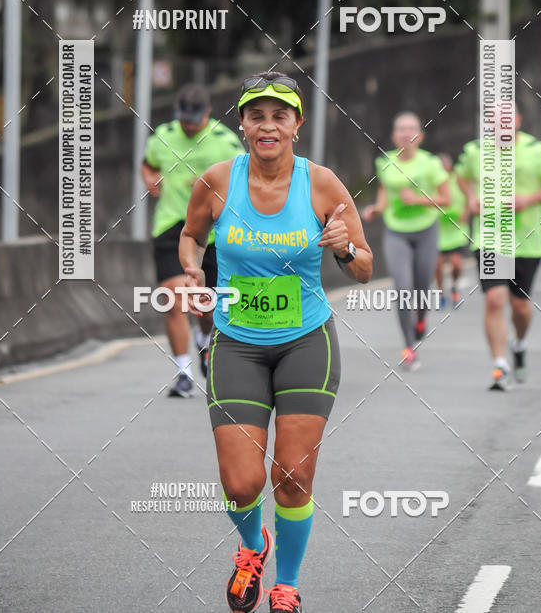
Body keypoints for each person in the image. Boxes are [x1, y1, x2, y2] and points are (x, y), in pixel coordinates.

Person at [179, 72, 372, 613]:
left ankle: (286, 583)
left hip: (306, 343)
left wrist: (343, 250)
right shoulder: (217, 180)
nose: (268, 125)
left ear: (296, 124)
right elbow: (191, 235)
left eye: (279, 115)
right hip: (237, 343)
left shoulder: (323, 184)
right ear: (242, 124)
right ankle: (251, 546)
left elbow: (364, 267)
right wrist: (193, 272)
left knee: (291, 475)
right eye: (256, 115)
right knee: (241, 484)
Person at [141, 83, 244, 397]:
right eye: (183, 118)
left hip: (210, 232)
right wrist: (149, 178)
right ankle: (183, 372)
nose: (187, 125)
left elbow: (245, 179)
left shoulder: (225, 142)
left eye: (193, 120)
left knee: (206, 304)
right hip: (170, 225)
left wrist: (213, 190)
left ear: (208, 114)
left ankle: (203, 341)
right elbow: (148, 164)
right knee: (173, 299)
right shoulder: (162, 135)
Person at [456, 105, 541, 390]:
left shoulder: (536, 150)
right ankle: (499, 365)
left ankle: (518, 344)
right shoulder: (474, 151)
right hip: (489, 238)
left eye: (505, 119)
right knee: (495, 299)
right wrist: (470, 198)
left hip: (527, 241)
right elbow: (462, 176)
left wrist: (529, 199)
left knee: (520, 307)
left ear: (517, 120)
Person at [362, 112, 450, 369]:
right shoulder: (385, 162)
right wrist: (377, 208)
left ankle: (420, 320)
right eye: (401, 129)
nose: (406, 133)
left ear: (420, 136)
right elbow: (385, 191)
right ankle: (409, 347)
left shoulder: (430, 164)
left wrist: (418, 200)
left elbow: (447, 199)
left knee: (422, 287)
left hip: (425, 229)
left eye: (411, 129)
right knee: (402, 288)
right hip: (396, 231)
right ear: (394, 136)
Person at [435, 153, 470, 308]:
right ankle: (441, 292)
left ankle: (454, 286)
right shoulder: (432, 181)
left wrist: (466, 212)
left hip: (456, 229)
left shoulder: (458, 180)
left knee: (456, 265)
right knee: (437, 265)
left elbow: (470, 196)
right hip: (438, 230)